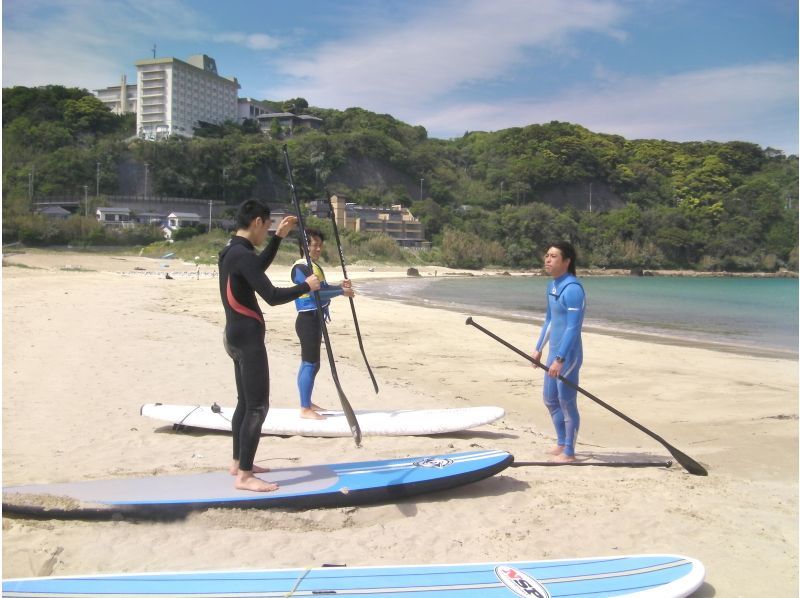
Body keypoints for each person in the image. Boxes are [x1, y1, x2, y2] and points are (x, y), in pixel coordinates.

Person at [218, 200, 320, 492]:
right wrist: (306, 286)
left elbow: (255, 268)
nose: (267, 232)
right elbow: (272, 296)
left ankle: (238, 462)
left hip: (234, 335)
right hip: (248, 338)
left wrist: (278, 238)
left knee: (244, 403)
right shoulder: (242, 254)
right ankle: (246, 477)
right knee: (258, 407)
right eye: (268, 227)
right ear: (258, 222)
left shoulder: (232, 251)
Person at [290, 228, 354, 420]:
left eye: (320, 245)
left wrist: (340, 287)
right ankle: (304, 408)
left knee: (312, 363)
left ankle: (307, 402)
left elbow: (324, 288)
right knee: (310, 363)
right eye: (314, 245)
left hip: (315, 319)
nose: (318, 248)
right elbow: (314, 293)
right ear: (304, 246)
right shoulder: (301, 267)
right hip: (307, 320)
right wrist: (341, 291)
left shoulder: (314, 266)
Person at [531, 241, 586, 463]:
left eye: (553, 256)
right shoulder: (552, 286)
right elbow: (550, 320)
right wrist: (538, 349)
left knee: (566, 401)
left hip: (568, 355)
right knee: (550, 399)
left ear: (566, 261)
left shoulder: (573, 289)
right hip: (554, 353)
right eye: (547, 255)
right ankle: (562, 442)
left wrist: (560, 359)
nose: (547, 259)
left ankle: (570, 453)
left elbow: (573, 327)